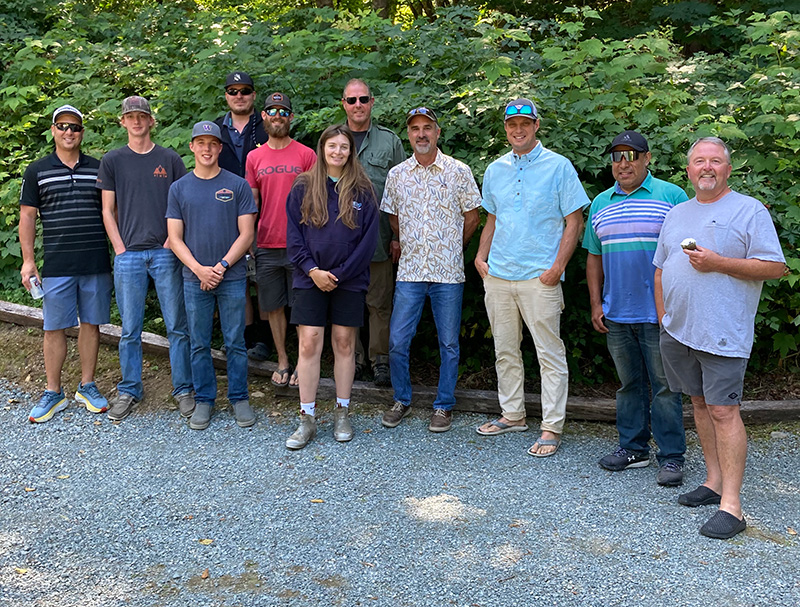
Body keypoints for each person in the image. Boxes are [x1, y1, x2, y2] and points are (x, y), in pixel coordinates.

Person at [654, 137, 785, 539]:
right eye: (698, 161)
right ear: (688, 170)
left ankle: (733, 506)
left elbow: (775, 267)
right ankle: (713, 483)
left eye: (715, 161)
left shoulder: (748, 210)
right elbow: (660, 269)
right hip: (679, 331)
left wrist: (718, 263)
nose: (706, 167)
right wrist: (664, 318)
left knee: (724, 411)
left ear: (728, 169)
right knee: (698, 403)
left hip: (723, 332)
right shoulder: (677, 212)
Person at [475, 98, 590, 457]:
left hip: (540, 277)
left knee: (549, 354)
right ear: (506, 128)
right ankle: (513, 414)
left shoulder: (559, 167)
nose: (518, 129)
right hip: (499, 275)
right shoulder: (495, 169)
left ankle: (551, 426)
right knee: (505, 349)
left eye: (525, 123)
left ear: (536, 125)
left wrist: (557, 268)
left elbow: (575, 220)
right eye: (512, 124)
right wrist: (480, 257)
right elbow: (492, 219)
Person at [583, 130, 689, 485]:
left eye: (631, 155)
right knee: (628, 385)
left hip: (661, 312)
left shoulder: (671, 196)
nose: (623, 163)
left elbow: (686, 254)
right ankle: (633, 449)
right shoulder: (600, 203)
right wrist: (597, 303)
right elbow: (593, 257)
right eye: (616, 157)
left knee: (664, 386)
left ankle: (672, 457)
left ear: (647, 158)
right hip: (617, 312)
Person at [380, 107, 481, 433]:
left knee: (449, 343)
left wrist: (452, 247)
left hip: (448, 273)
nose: (421, 134)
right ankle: (402, 398)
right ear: (408, 135)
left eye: (427, 128)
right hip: (409, 271)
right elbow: (393, 218)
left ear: (438, 133)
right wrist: (406, 241)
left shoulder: (459, 171)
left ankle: (443, 405)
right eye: (415, 129)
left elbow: (472, 218)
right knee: (397, 340)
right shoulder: (397, 175)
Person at [98, 96, 193, 421]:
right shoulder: (112, 160)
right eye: (130, 117)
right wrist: (120, 248)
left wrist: (171, 241)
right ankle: (129, 389)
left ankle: (182, 389)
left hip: (165, 252)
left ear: (152, 121)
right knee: (130, 329)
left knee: (177, 327)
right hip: (129, 256)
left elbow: (182, 204)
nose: (137, 121)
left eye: (142, 116)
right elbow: (107, 210)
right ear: (122, 122)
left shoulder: (168, 159)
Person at [284, 124, 379, 449]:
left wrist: (337, 274)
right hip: (309, 278)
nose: (338, 152)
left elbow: (367, 244)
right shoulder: (302, 187)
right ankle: (306, 418)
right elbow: (294, 239)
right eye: (332, 146)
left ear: (350, 152)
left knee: (343, 344)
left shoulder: (363, 190)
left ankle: (342, 412)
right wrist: (313, 271)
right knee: (309, 344)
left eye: (344, 147)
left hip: (348, 281)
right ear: (322, 149)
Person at [19, 105, 112, 422]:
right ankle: (53, 391)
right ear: (53, 130)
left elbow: (110, 212)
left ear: (82, 132)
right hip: (57, 264)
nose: (68, 132)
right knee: (53, 327)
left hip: (95, 260)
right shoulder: (37, 170)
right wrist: (28, 261)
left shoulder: (100, 169)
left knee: (91, 323)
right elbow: (28, 216)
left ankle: (87, 386)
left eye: (74, 127)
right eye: (62, 126)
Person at [166, 121, 258, 430]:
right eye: (200, 143)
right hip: (194, 279)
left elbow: (247, 233)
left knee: (235, 341)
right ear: (191, 146)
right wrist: (199, 269)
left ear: (220, 148)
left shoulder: (237, 185)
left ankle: (239, 397)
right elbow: (175, 238)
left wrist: (220, 267)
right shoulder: (178, 188)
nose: (206, 148)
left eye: (212, 143)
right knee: (199, 342)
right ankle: (204, 399)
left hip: (230, 277)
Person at [245, 92, 317, 388]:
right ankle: (283, 360)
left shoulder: (306, 155)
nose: (278, 115)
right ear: (263, 116)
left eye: (283, 111)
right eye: (272, 111)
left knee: (301, 307)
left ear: (291, 117)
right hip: (266, 244)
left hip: (300, 245)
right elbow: (251, 203)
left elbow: (317, 202)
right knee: (273, 306)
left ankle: (302, 362)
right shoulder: (254, 157)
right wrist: (249, 242)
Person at [341, 78, 405, 387]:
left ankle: (381, 360)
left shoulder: (389, 142)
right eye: (351, 100)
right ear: (344, 104)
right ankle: (353, 359)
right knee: (349, 300)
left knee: (380, 302)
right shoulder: (334, 139)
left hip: (380, 237)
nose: (357, 105)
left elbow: (404, 191)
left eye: (363, 99)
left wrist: (398, 235)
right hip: (342, 241)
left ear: (372, 102)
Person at [214, 70, 271, 361]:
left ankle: (263, 339)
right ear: (226, 95)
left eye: (245, 91)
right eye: (233, 91)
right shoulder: (214, 130)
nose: (239, 96)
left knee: (261, 278)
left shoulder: (267, 126)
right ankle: (239, 336)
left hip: (263, 215)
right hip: (223, 215)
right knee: (234, 278)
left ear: (253, 95)